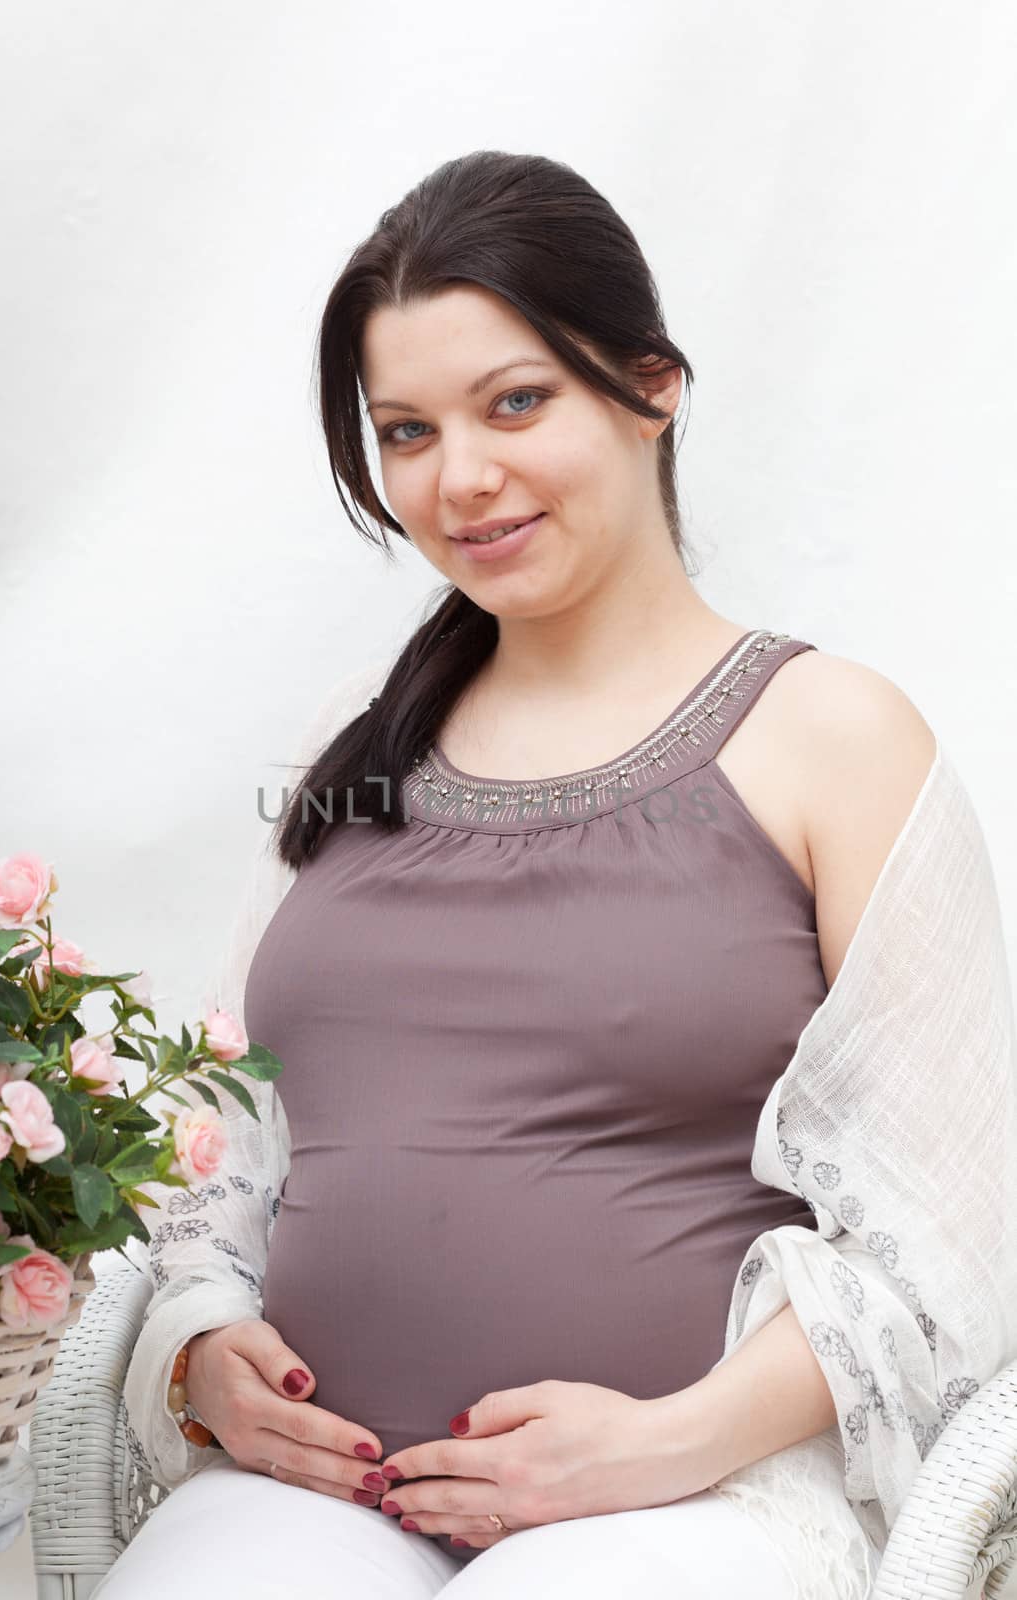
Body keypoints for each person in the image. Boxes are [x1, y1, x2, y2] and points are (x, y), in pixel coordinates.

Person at [102, 150, 1013, 1600]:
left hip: (688, 1495)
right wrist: (203, 1347)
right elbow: (229, 1132)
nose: (459, 478)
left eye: (515, 402)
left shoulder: (832, 736)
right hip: (329, 1485)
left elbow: (953, 1236)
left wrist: (666, 1444)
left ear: (649, 386)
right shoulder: (356, 744)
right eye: (405, 431)